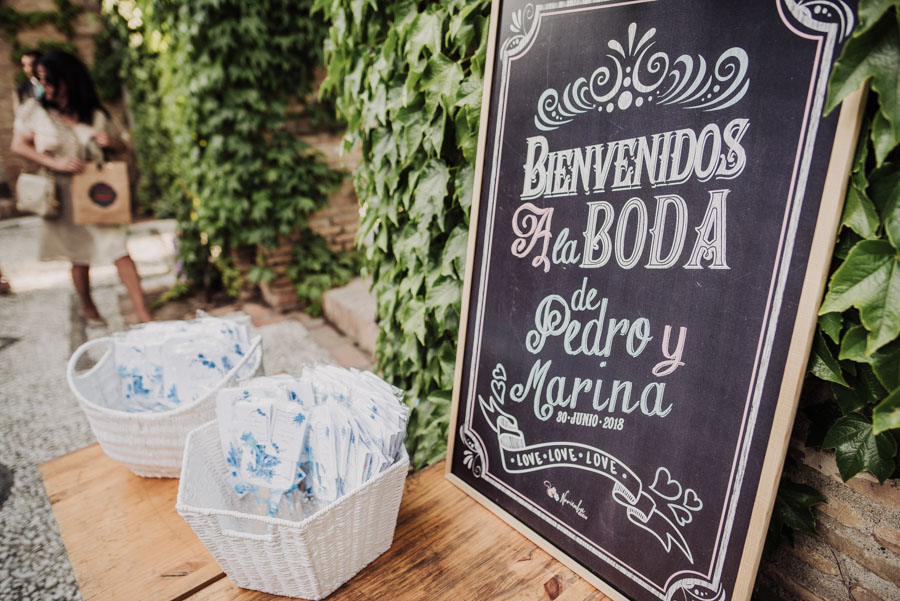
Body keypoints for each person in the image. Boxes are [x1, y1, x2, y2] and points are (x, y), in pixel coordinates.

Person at [10, 51, 151, 324]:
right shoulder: (34, 111)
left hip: (99, 190)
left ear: (68, 80)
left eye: (49, 80)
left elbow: (123, 147)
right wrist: (55, 162)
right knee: (79, 255)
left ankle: (143, 313)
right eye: (40, 80)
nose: (44, 86)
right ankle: (88, 308)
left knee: (118, 247)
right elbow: (18, 146)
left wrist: (111, 142)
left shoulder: (94, 113)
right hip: (61, 192)